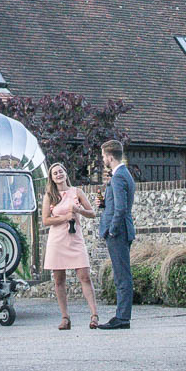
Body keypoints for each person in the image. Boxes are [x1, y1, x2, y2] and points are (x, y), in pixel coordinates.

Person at [41, 162, 99, 330]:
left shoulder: (77, 192)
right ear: (51, 178)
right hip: (57, 241)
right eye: (55, 173)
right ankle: (65, 317)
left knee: (85, 276)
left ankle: (94, 315)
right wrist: (64, 217)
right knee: (59, 280)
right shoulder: (49, 196)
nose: (58, 174)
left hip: (75, 239)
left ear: (66, 173)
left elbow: (92, 213)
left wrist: (78, 210)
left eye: (60, 171)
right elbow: (46, 220)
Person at [97, 139, 136, 330]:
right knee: (121, 274)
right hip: (121, 230)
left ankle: (122, 317)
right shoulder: (121, 174)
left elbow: (121, 208)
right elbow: (117, 204)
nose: (103, 159)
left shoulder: (119, 176)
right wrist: (104, 204)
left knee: (122, 275)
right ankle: (121, 315)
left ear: (110, 157)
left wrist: (112, 229)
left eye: (103, 156)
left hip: (118, 232)